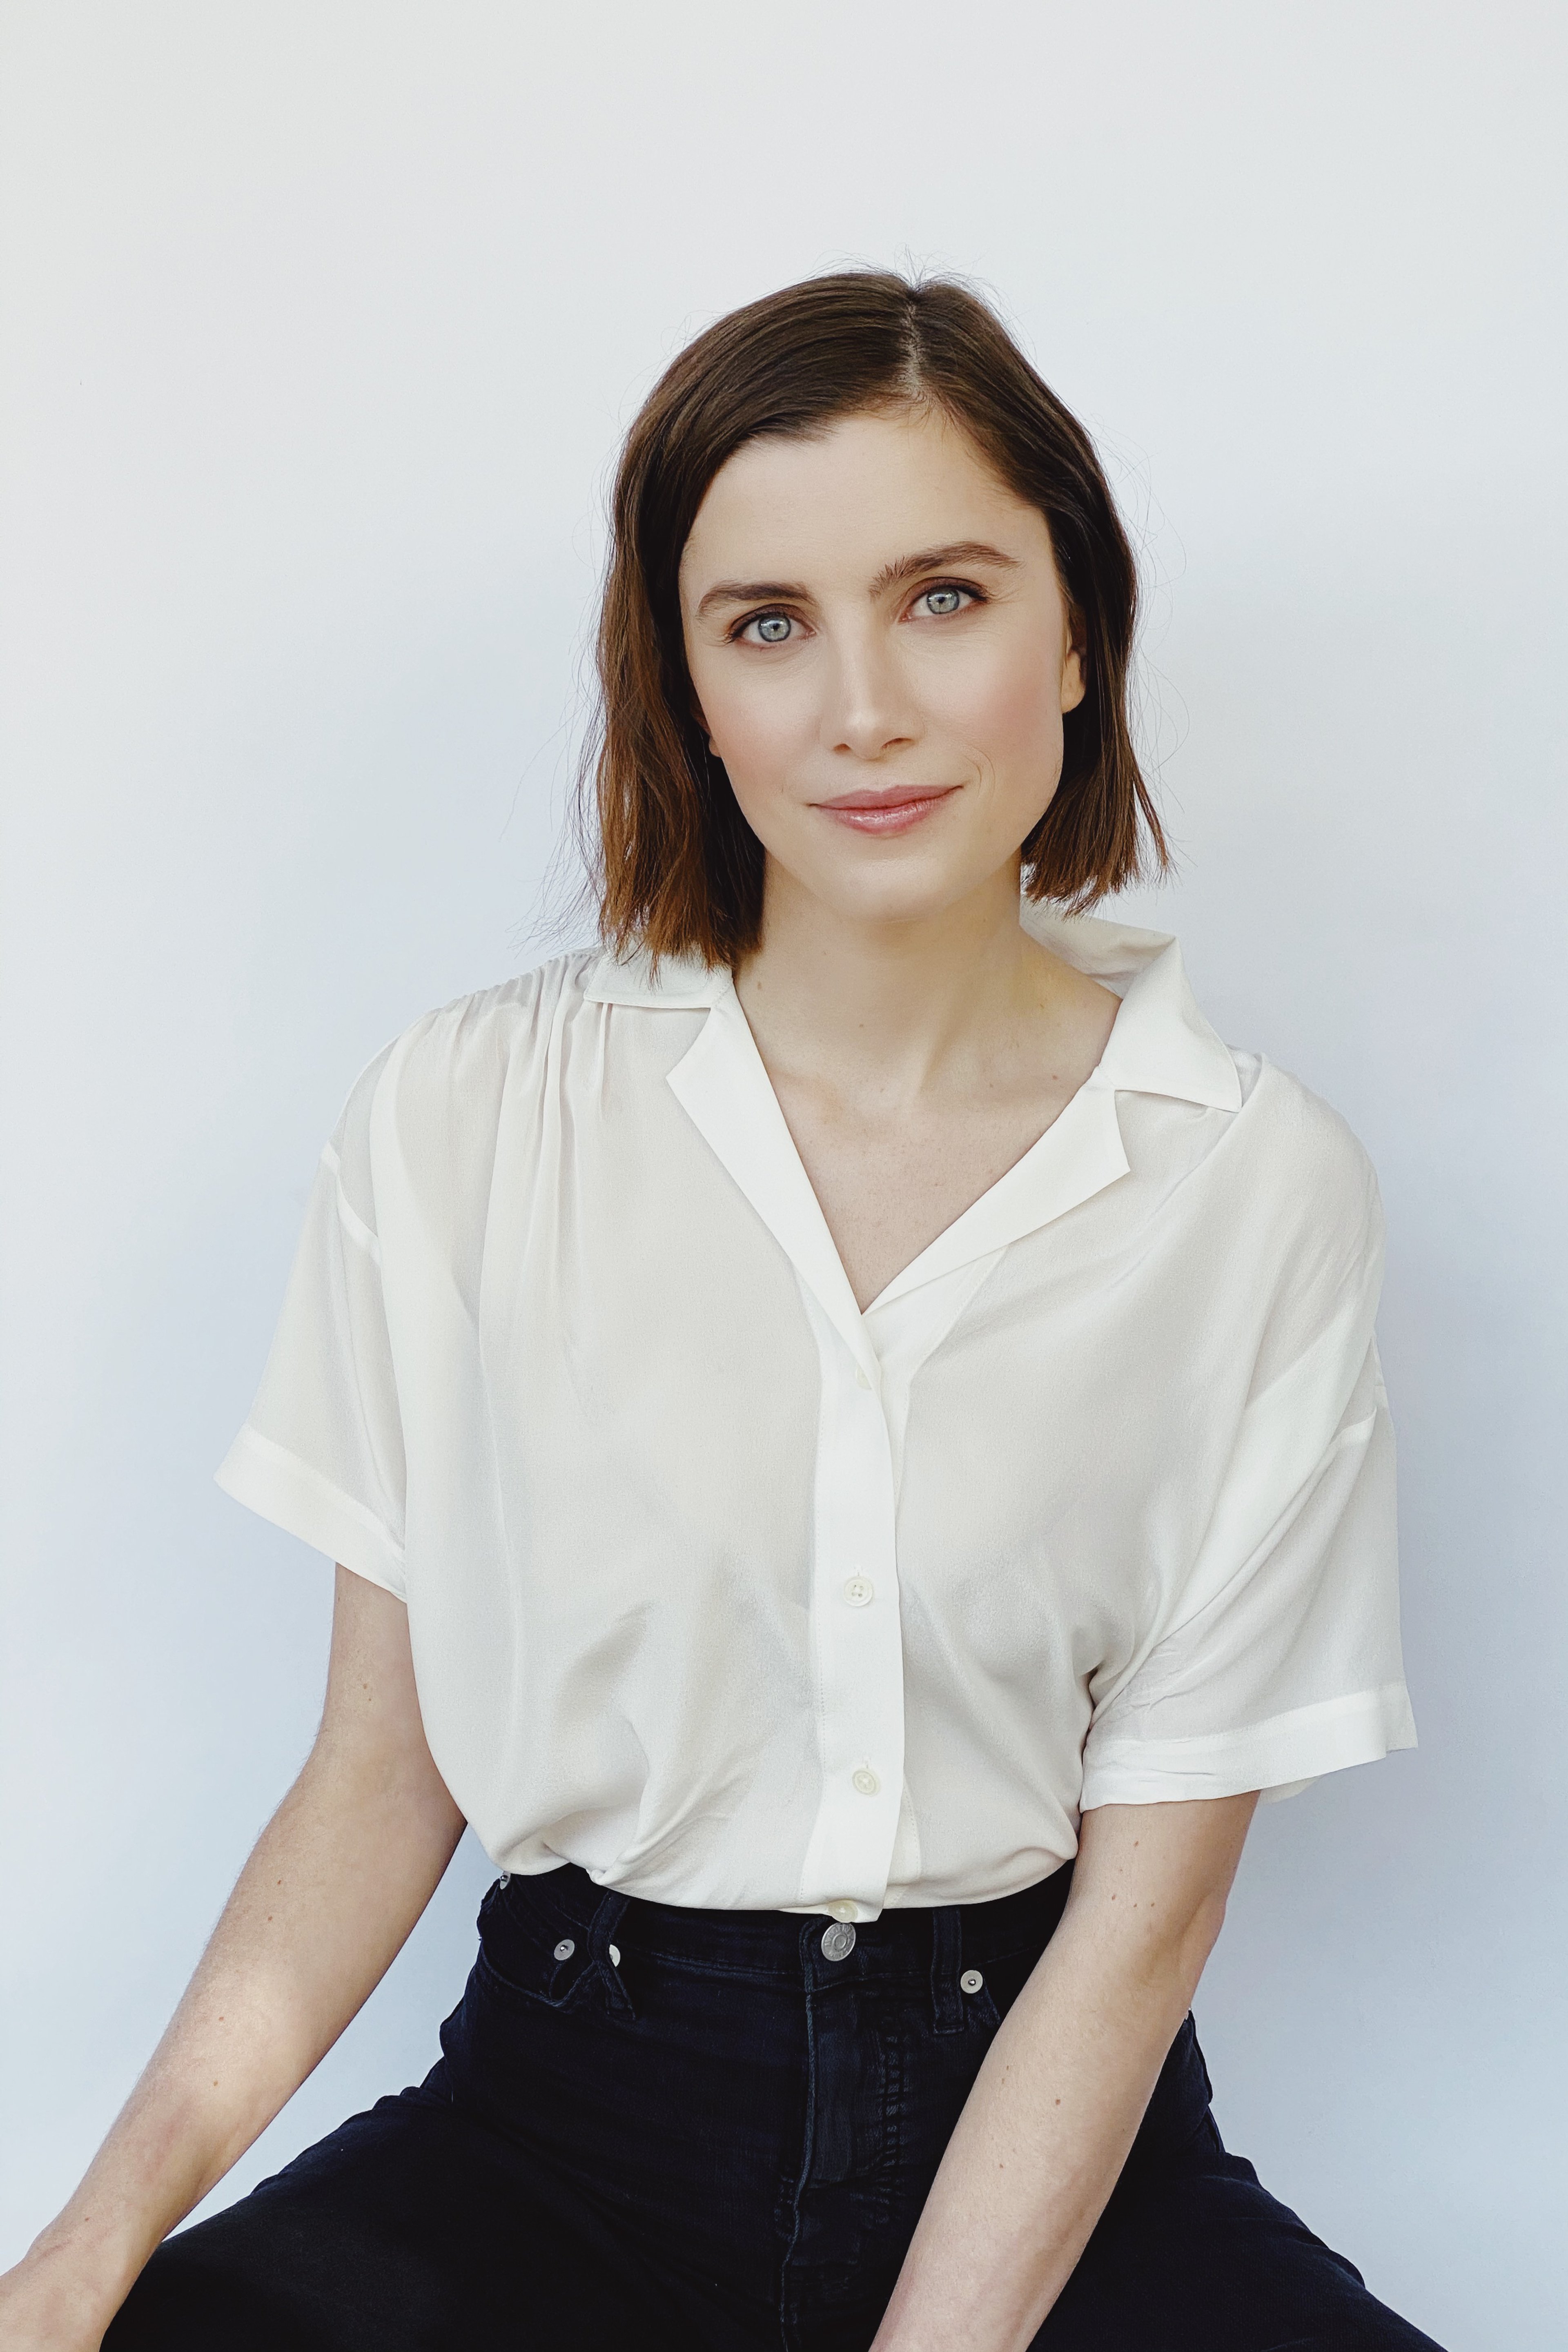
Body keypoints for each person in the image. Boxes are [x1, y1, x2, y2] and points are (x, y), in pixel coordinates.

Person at [0, 271, 1441, 2352]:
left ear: (1076, 633)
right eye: (767, 624)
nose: (863, 705)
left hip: (1051, 2133)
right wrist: (82, 2249)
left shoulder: (1254, 1184)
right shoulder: (471, 1118)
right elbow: (376, 1779)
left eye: (944, 595)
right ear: (686, 692)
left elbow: (1150, 1917)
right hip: (556, 2139)